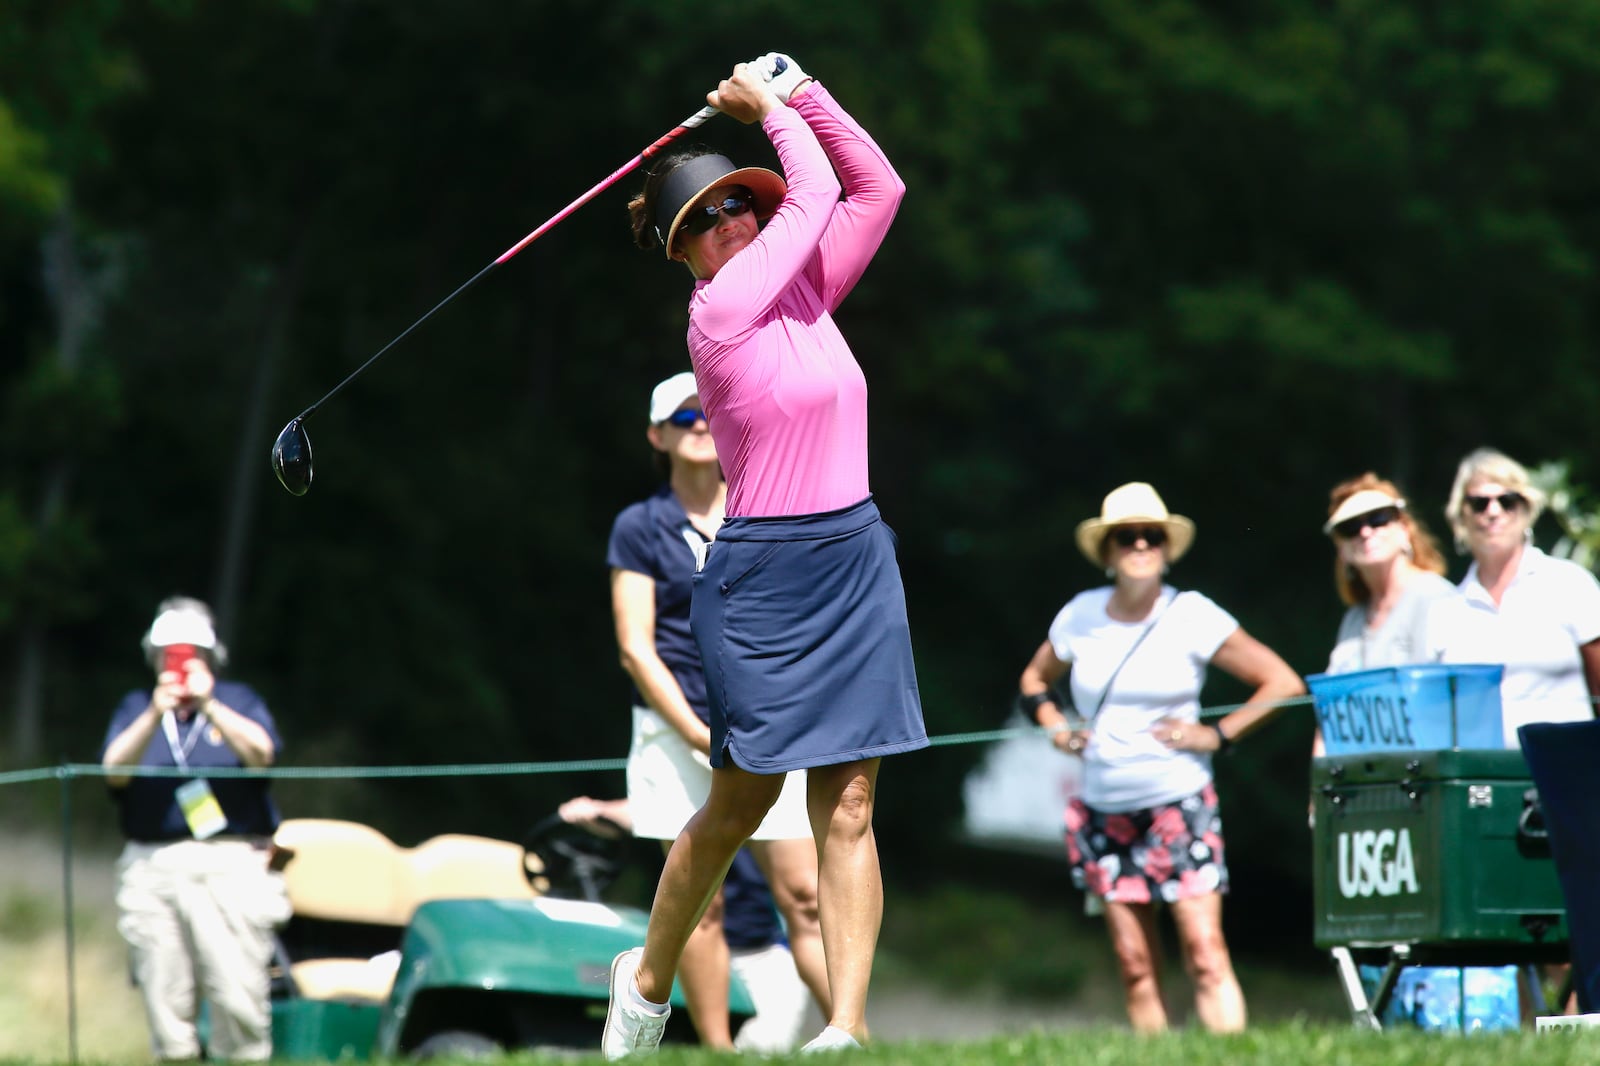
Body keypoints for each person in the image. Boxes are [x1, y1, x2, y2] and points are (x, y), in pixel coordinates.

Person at [603, 52, 927, 1058]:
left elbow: (876, 184)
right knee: (740, 800)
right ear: (682, 253)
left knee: (852, 798)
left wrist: (808, 90)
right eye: (700, 222)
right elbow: (819, 185)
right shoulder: (721, 315)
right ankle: (646, 978)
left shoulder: (805, 296)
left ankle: (846, 1027)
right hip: (762, 576)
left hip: (853, 556)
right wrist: (772, 107)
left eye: (737, 205)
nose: (727, 223)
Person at [1015, 482, 1304, 1033]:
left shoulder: (1193, 615)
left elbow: (1281, 682)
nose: (1141, 545)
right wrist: (1056, 728)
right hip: (1103, 811)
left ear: (1168, 548)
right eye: (1127, 537)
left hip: (1179, 801)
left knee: (1203, 951)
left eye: (1153, 535)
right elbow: (1034, 680)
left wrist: (1218, 735)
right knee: (1135, 966)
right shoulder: (1079, 616)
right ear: (1107, 552)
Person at [605, 370, 829, 1048]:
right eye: (682, 417)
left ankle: (862, 1036)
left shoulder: (764, 508)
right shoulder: (639, 526)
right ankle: (718, 1051)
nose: (700, 424)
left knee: (804, 896)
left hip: (766, 726)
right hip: (679, 733)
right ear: (657, 436)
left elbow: (797, 619)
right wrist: (698, 733)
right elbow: (636, 649)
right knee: (705, 907)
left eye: (709, 412)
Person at [99, 596, 290, 1062]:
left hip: (229, 863)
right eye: (169, 651)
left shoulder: (239, 700)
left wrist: (207, 704)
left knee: (237, 995)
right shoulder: (136, 706)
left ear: (208, 656)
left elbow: (262, 755)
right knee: (165, 1003)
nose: (178, 661)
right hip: (153, 866)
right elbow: (113, 772)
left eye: (187, 651)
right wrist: (154, 714)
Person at [559, 796, 818, 1053]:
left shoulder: (761, 795)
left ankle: (850, 1032)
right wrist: (600, 811)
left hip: (763, 954)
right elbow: (653, 803)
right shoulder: (681, 796)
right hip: (690, 964)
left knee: (766, 1049)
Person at [1426, 447, 1600, 747]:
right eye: (1479, 503)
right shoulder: (1445, 612)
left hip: (1568, 776)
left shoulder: (1570, 584)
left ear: (1527, 508)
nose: (1493, 512)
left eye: (1507, 500)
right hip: (1482, 782)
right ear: (1461, 516)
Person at [1314, 473, 1459, 755]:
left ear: (1405, 529)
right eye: (1350, 528)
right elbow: (1329, 718)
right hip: (1364, 785)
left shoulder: (1438, 598)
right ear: (1340, 548)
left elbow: (1459, 706)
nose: (1366, 532)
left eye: (1378, 519)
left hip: (1425, 777)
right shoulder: (1354, 620)